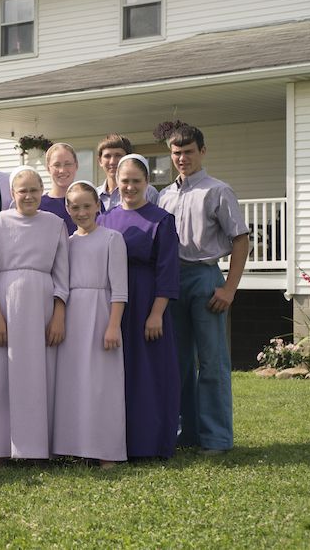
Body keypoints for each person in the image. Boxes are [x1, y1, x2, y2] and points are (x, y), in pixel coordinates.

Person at [157, 126, 249, 455]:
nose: (183, 158)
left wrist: (229, 288)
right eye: (177, 153)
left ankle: (217, 438)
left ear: (202, 151)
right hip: (172, 282)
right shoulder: (164, 196)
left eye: (189, 151)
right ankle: (188, 433)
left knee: (211, 362)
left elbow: (241, 240)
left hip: (206, 279)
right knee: (179, 362)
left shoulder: (218, 191)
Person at [0, 166, 69, 465]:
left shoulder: (55, 224)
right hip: (6, 303)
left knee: (41, 376)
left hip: (42, 304)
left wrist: (58, 314)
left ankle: (39, 449)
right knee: (1, 377)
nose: (28, 196)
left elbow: (62, 275)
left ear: (42, 191)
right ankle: (1, 451)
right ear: (13, 193)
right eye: (23, 190)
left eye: (34, 190)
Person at [99, 154, 181, 459]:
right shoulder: (104, 218)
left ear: (147, 183)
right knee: (114, 373)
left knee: (147, 373)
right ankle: (111, 442)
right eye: (125, 181)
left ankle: (148, 443)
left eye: (136, 181)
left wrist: (157, 313)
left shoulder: (161, 220)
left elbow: (168, 270)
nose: (130, 187)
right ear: (116, 183)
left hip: (146, 303)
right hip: (112, 305)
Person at [51, 181, 127, 467]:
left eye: (86, 206)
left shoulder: (111, 238)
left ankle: (107, 451)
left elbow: (120, 288)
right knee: (73, 383)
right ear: (67, 209)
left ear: (98, 205)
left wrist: (113, 325)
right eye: (75, 207)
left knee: (101, 384)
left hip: (101, 314)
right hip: (73, 316)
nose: (81, 212)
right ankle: (76, 446)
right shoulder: (68, 243)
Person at [96, 134, 160, 212]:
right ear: (100, 161)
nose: (112, 161)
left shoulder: (148, 192)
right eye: (107, 156)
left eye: (118, 155)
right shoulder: (94, 195)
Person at [39, 143, 80, 235]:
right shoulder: (39, 206)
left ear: (76, 166)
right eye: (57, 165)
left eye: (68, 164)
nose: (62, 170)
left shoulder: (90, 202)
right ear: (48, 168)